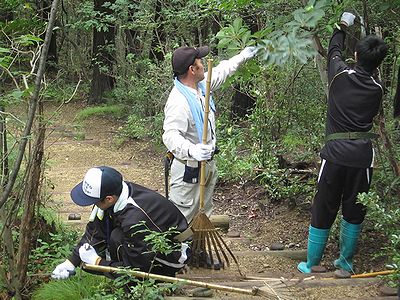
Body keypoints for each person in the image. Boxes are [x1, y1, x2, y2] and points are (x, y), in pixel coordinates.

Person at [297, 12, 388, 274]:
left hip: (335, 154)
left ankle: (312, 263)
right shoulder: (378, 88)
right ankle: (345, 264)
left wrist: (343, 24)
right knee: (354, 207)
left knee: (324, 204)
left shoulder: (339, 74)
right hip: (362, 157)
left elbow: (334, 47)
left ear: (356, 56)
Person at [163, 45, 257, 223]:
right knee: (182, 218)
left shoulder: (201, 87)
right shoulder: (179, 101)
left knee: (203, 213)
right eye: (200, 62)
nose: (204, 64)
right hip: (188, 169)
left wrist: (242, 56)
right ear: (192, 69)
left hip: (207, 165)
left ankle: (196, 250)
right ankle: (180, 251)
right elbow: (170, 135)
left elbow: (222, 71)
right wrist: (192, 150)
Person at [51, 166, 191, 280]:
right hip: (144, 246)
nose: (92, 204)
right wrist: (71, 262)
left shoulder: (135, 220)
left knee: (115, 240)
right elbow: (94, 231)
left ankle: (135, 289)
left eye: (94, 201)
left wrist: (98, 263)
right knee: (100, 250)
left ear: (109, 199)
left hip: (174, 255)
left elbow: (137, 268)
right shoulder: (115, 193)